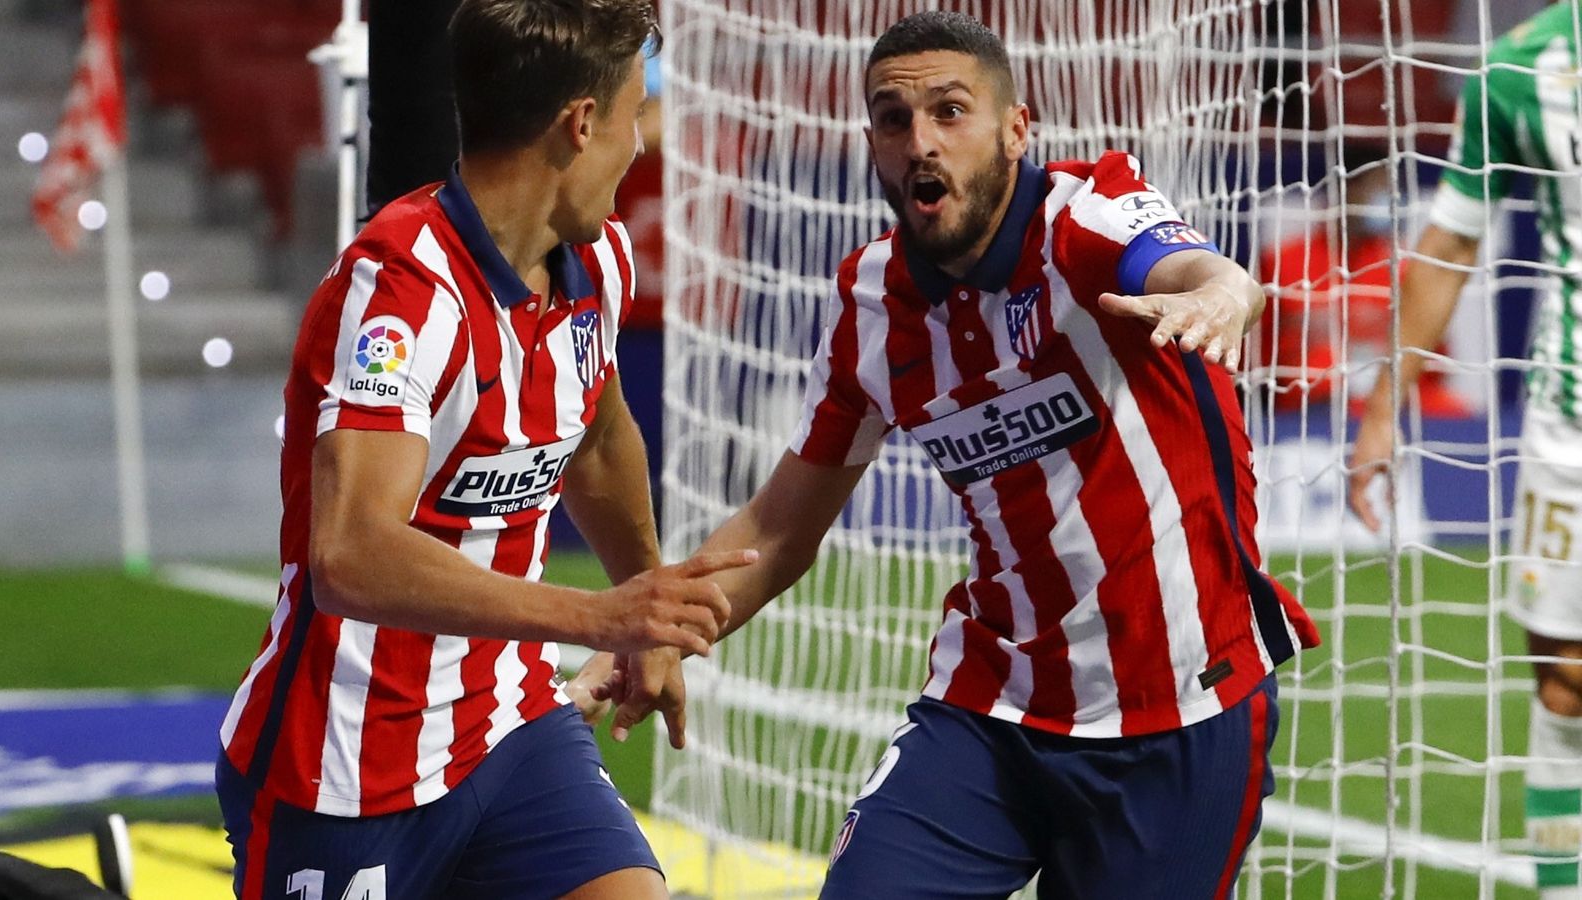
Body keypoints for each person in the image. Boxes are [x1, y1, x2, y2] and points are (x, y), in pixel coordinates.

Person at [581, 11, 1320, 898]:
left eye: (950, 111)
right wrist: (648, 633)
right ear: (872, 145)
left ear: (1015, 129)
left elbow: (1205, 272)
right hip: (992, 707)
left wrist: (1222, 299)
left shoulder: (1085, 223)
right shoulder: (870, 302)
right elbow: (777, 531)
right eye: (894, 120)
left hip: (1181, 710)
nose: (921, 142)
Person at [213, 2, 751, 898]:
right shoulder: (401, 291)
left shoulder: (598, 261)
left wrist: (646, 610)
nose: (640, 146)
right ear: (581, 124)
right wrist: (600, 617)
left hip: (508, 727)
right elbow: (350, 554)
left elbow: (599, 437)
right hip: (344, 765)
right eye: (634, 116)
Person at [1349, 5, 1582, 895]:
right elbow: (1449, 243)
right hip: (1570, 423)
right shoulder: (1525, 69)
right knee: (1566, 685)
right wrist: (1384, 409)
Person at [1258, 142, 1468, 416]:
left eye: (1392, 191)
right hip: (1313, 402)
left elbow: (1434, 358)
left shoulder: (1404, 267)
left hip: (1393, 398)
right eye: (1379, 189)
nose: (1389, 200)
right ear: (1346, 189)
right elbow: (1257, 357)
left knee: (1455, 411)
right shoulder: (1283, 263)